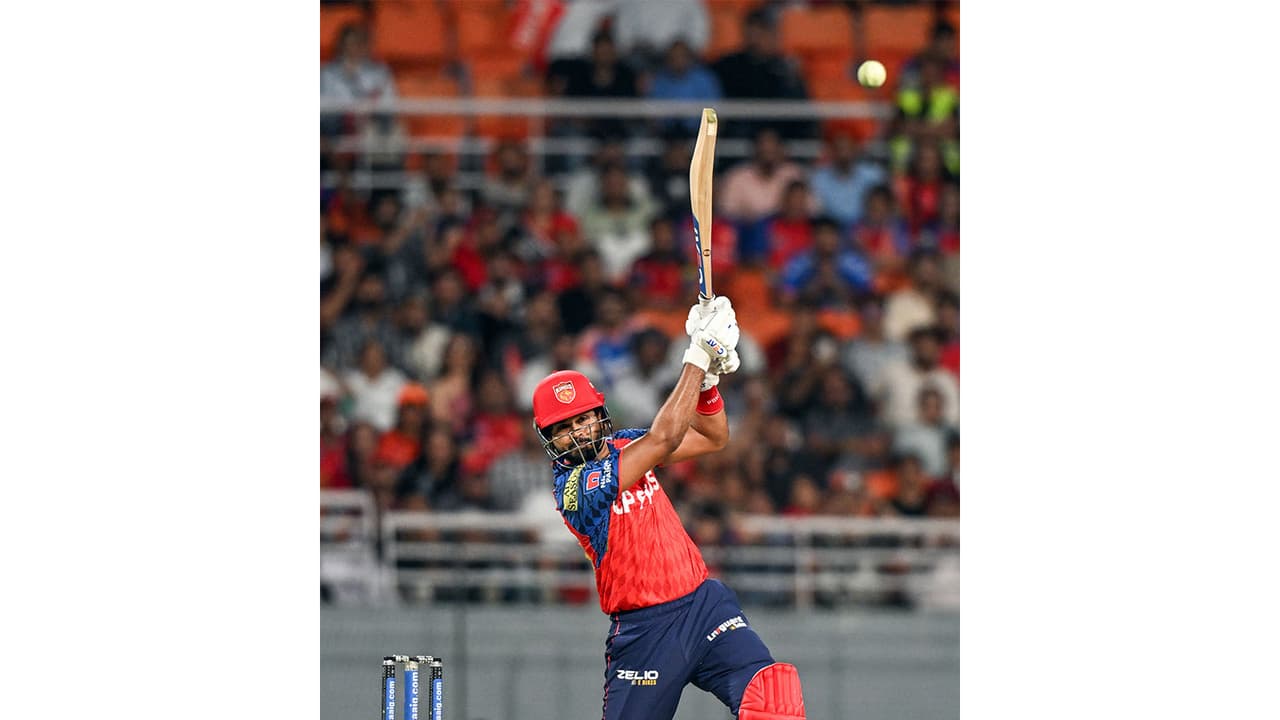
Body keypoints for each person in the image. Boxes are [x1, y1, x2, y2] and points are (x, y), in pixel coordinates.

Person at [530, 297, 806, 720]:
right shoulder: (572, 489)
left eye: (582, 419)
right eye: (563, 428)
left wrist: (708, 383)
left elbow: (712, 437)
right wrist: (697, 358)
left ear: (599, 414)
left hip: (703, 606)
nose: (577, 432)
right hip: (646, 631)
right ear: (549, 438)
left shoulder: (624, 443)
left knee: (774, 700)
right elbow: (663, 438)